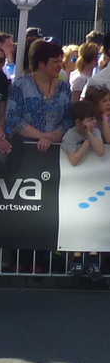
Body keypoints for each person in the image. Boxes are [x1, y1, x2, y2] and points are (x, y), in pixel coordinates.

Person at [61, 100, 105, 279]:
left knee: (94, 222)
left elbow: (100, 151)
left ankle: (94, 261)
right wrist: (87, 141)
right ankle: (76, 260)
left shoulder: (96, 132)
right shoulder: (70, 135)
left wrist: (90, 134)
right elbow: (74, 160)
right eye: (89, 119)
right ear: (78, 122)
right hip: (74, 185)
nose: (93, 122)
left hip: (94, 185)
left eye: (94, 119)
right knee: (77, 222)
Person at [6, 39, 73, 152]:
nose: (60, 66)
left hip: (57, 150)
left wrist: (53, 137)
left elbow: (69, 119)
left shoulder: (64, 88)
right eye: (55, 62)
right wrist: (41, 136)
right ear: (41, 63)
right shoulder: (20, 86)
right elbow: (12, 118)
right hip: (24, 150)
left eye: (60, 61)